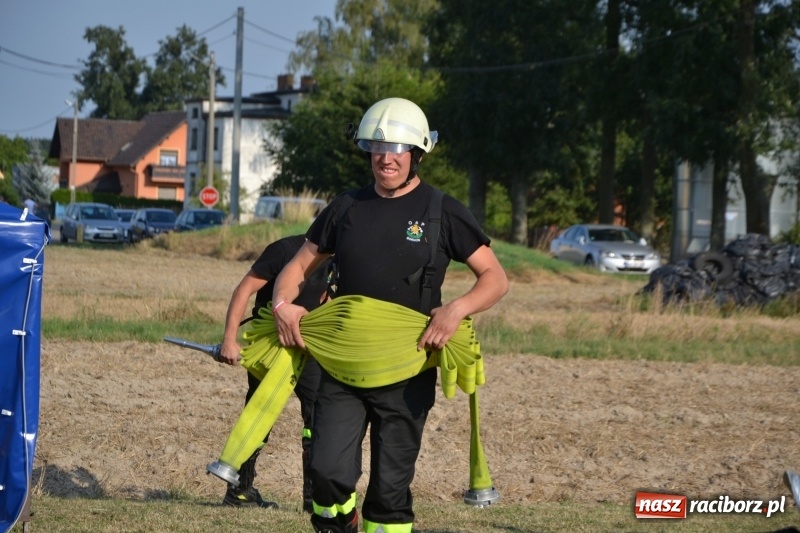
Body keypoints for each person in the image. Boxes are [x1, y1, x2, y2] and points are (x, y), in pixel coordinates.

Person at [271, 97, 509, 533]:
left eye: (397, 149)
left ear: (417, 153)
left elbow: (495, 278)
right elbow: (297, 266)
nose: (386, 158)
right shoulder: (346, 207)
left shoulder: (442, 211)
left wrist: (455, 310)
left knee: (390, 490)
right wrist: (283, 306)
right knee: (325, 471)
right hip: (342, 366)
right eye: (377, 148)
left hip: (408, 367)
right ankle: (341, 520)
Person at [218, 235, 332, 512]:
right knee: (259, 413)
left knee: (317, 416)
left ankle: (313, 499)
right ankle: (240, 491)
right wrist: (229, 340)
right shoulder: (284, 250)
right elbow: (244, 290)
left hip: (310, 346)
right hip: (271, 343)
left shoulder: (341, 257)